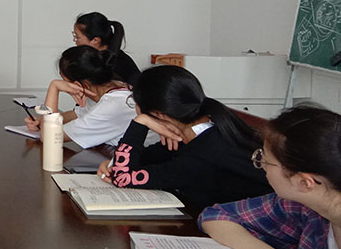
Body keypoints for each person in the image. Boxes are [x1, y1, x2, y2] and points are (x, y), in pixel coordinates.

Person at [200, 105, 341, 249]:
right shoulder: (309, 206)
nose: (261, 165)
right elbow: (215, 216)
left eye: (266, 160)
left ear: (304, 182)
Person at [96, 65, 272, 211]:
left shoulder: (205, 152)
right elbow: (140, 160)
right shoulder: (200, 130)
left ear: (159, 114)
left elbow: (123, 178)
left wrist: (140, 122)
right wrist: (114, 163)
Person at [24, 45, 138, 148]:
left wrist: (54, 87)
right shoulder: (109, 87)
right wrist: (42, 121)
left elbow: (50, 137)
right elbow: (77, 114)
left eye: (65, 82)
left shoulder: (113, 105)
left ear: (79, 85)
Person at [73, 12, 140, 86]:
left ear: (95, 40)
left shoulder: (119, 64)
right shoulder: (94, 58)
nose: (74, 40)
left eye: (77, 37)